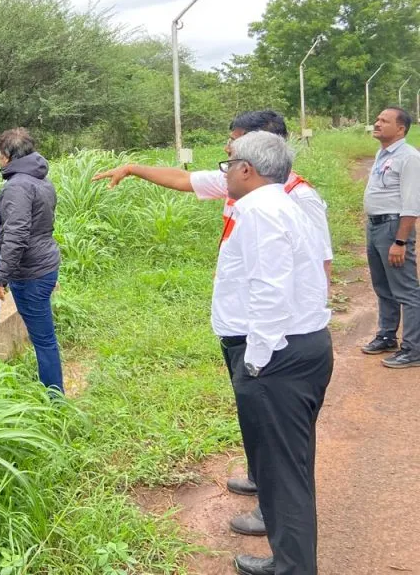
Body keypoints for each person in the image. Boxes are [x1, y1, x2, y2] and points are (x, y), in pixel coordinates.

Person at [92, 110, 332, 536]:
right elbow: (184, 179)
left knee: (283, 440)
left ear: (258, 153)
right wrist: (131, 168)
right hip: (246, 327)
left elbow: (316, 265)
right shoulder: (244, 186)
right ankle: (264, 483)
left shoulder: (295, 198)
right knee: (258, 424)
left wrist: (274, 343)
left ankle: (276, 512)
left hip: (278, 337)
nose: (226, 150)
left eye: (234, 142)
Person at [214, 131, 332, 575]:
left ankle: (294, 568)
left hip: (277, 357)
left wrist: (257, 359)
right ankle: (291, 560)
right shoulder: (283, 203)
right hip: (300, 348)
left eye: (229, 165)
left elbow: (270, 288)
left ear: (247, 169)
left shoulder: (261, 210)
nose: (225, 173)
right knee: (289, 466)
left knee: (282, 473)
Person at [0, 127, 64, 394]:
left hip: (30, 270)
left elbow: (17, 236)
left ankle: (56, 400)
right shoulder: (40, 179)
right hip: (40, 258)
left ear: (6, 155)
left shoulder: (17, 186)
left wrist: (2, 278)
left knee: (44, 340)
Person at [362, 107, 420, 368]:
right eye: (377, 119)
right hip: (375, 226)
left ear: (401, 129)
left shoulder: (409, 158)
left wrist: (400, 241)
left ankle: (413, 348)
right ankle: (387, 336)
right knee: (382, 286)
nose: (377, 123)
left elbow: (411, 204)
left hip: (393, 227)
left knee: (405, 289)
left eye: (384, 121)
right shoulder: (382, 154)